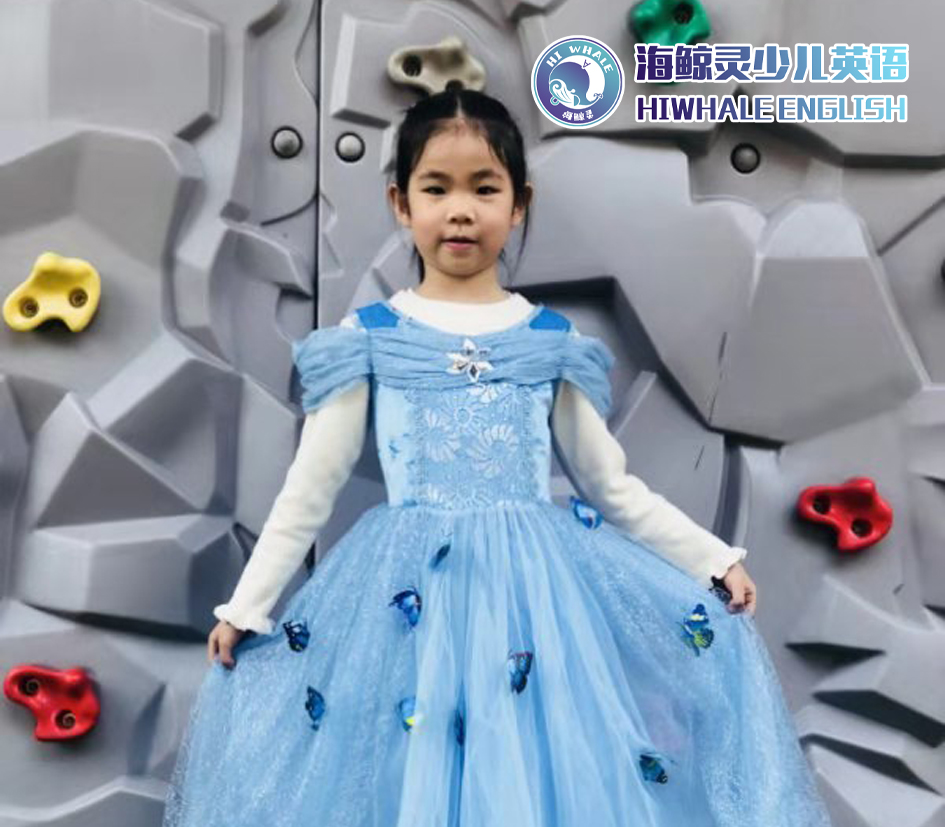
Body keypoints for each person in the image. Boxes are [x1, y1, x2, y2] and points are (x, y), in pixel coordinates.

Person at [162, 89, 832, 826]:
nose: (460, 211)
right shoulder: (368, 337)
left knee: (532, 775)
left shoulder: (549, 341)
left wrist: (712, 557)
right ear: (400, 203)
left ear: (518, 205)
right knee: (409, 768)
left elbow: (611, 486)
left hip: (534, 608)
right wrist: (249, 606)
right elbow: (309, 490)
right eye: (436, 189)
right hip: (406, 603)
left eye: (484, 189)